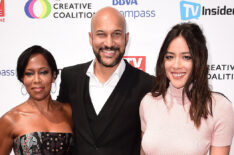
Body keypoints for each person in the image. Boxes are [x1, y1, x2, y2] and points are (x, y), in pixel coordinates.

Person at [57, 6, 154, 155]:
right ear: (91, 38)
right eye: (101, 34)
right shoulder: (70, 77)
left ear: (126, 38)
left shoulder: (147, 85)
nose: (109, 43)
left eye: (116, 34)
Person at [140, 22, 234, 155]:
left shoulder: (219, 107)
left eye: (186, 57)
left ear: (199, 60)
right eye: (170, 57)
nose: (176, 65)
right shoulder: (148, 102)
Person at [0, 45, 73, 154]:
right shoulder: (10, 120)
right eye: (29, 73)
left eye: (43, 72)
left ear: (53, 75)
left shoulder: (69, 112)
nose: (37, 80)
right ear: (22, 78)